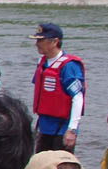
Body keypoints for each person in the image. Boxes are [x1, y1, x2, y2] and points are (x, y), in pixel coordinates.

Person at [29, 22, 85, 153]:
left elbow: (78, 97)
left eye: (41, 40)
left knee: (60, 167)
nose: (37, 44)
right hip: (44, 126)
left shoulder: (69, 66)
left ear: (54, 42)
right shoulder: (42, 63)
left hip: (61, 128)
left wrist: (72, 129)